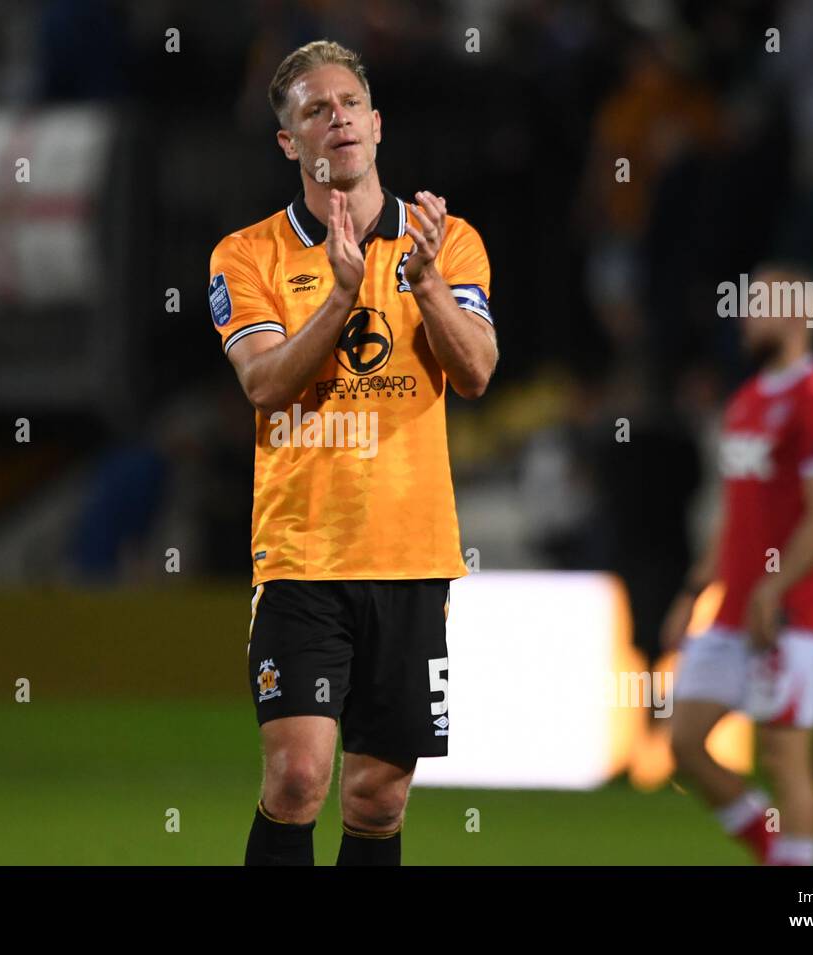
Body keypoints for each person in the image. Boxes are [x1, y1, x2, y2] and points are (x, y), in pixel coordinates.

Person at [208, 40, 497, 865]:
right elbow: (264, 384)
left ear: (377, 124)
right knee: (299, 777)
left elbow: (476, 371)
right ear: (289, 144)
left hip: (412, 556)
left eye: (348, 104)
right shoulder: (248, 255)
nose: (335, 118)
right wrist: (340, 295)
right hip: (303, 554)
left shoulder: (451, 242)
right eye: (313, 110)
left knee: (377, 797)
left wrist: (428, 281)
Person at [662, 264, 813, 866]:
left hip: (792, 613)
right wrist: (697, 590)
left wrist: (774, 589)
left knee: (783, 755)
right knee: (686, 744)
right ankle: (777, 853)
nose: (746, 316)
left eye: (761, 304)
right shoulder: (746, 401)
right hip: (731, 614)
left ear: (800, 314)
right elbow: (734, 511)